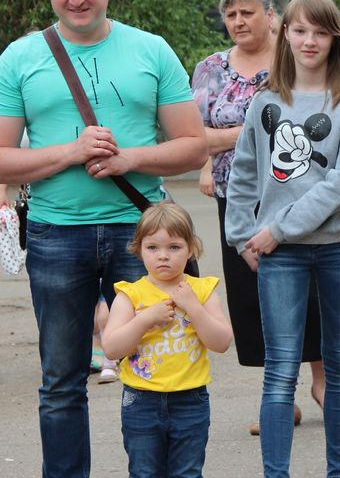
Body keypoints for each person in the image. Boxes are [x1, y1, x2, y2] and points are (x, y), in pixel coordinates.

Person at [0, 0, 207, 476]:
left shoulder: (150, 49)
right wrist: (71, 151)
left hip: (145, 236)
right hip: (57, 235)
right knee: (61, 382)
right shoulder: (20, 58)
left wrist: (129, 158)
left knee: (159, 373)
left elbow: (193, 145)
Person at [225, 0, 340, 477]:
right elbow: (244, 171)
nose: (309, 41)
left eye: (320, 31)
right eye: (299, 30)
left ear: (335, 37)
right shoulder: (267, 99)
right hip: (280, 255)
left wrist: (277, 230)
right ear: (284, 33)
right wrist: (241, 235)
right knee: (280, 371)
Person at [191, 0, 324, 433]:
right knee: (257, 296)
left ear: (272, 16)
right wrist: (247, 133)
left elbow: (318, 122)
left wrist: (243, 135)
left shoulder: (297, 59)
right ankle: (280, 394)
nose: (238, 21)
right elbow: (197, 136)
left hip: (302, 196)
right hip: (240, 200)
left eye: (247, 12)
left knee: (311, 288)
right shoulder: (210, 68)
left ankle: (322, 378)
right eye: (230, 14)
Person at [101, 202, 232, 478]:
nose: (163, 256)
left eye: (174, 247)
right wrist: (145, 320)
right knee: (144, 472)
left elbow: (221, 342)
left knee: (187, 472)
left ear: (191, 248)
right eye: (153, 247)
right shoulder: (130, 294)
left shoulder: (202, 290)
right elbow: (112, 347)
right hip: (141, 401)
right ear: (138, 249)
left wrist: (193, 307)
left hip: (191, 399)